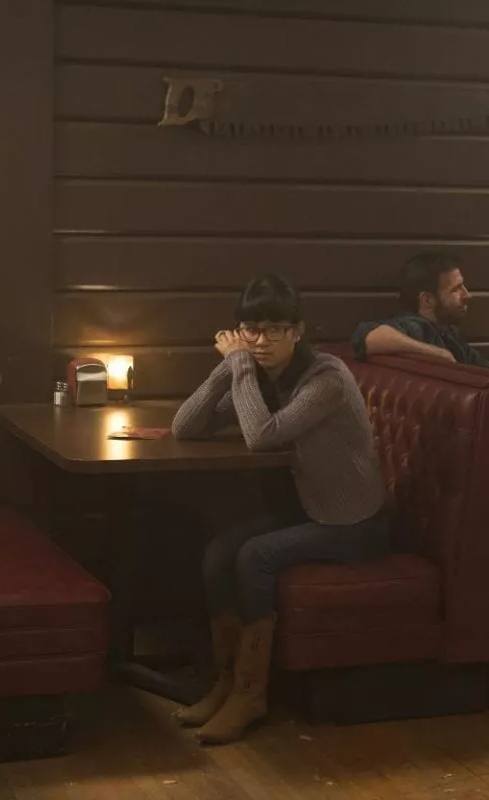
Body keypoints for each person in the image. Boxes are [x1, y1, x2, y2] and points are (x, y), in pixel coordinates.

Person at [171, 275, 389, 744]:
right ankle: (225, 683)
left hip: (354, 521)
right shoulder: (262, 377)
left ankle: (250, 694)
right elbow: (184, 427)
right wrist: (227, 369)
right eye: (251, 329)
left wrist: (239, 365)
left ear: (297, 331)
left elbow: (261, 435)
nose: (261, 341)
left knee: (256, 556)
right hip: (307, 510)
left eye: (275, 329)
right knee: (218, 554)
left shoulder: (326, 378)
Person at [351, 252, 489, 367]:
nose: (467, 295)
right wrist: (438, 354)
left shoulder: (448, 332)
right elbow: (368, 337)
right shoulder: (416, 326)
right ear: (427, 300)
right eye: (455, 289)